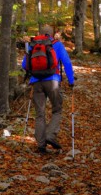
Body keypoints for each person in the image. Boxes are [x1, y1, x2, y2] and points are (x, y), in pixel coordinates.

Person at [22, 25, 75, 154]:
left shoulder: (33, 45)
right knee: (57, 109)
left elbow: (24, 64)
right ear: (52, 34)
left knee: (40, 113)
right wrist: (71, 80)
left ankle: (41, 145)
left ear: (40, 33)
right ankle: (50, 134)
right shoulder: (57, 44)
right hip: (52, 81)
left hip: (36, 82)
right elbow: (67, 63)